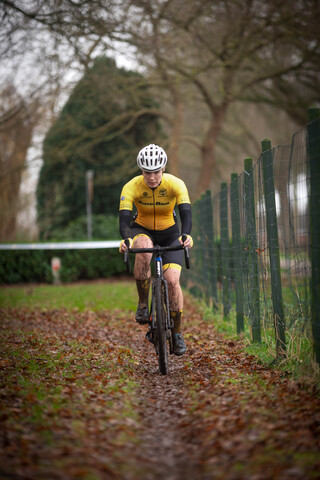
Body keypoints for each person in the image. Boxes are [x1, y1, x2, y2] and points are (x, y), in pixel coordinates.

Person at [119, 144, 193, 356]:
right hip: (142, 230)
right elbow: (124, 221)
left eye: (156, 172)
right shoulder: (131, 187)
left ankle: (177, 334)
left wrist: (186, 236)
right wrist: (126, 239)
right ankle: (143, 303)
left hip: (170, 233)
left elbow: (186, 215)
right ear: (141, 171)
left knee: (172, 281)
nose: (151, 177)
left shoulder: (176, 184)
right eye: (146, 172)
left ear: (164, 168)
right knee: (143, 247)